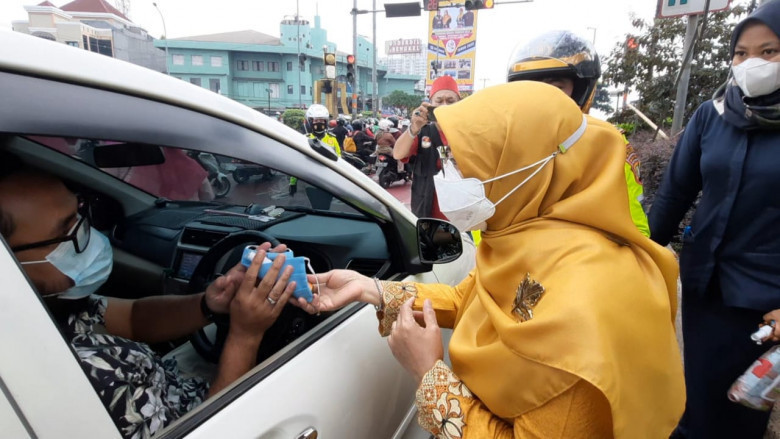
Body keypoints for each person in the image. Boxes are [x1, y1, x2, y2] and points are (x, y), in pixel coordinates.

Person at [298, 81, 685, 438]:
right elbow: (471, 295)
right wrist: (371, 288)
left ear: (528, 168)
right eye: (449, 157)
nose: (452, 173)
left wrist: (429, 375)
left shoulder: (589, 304)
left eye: (470, 162)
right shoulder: (523, 238)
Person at [0, 169, 297, 438]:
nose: (86, 232)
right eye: (67, 231)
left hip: (178, 388)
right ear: (9, 263)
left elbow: (132, 318)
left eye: (79, 215)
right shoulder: (77, 382)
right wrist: (246, 335)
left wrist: (208, 304)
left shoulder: (49, 305)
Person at [649, 3, 780, 437]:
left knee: (742, 405)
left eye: (769, 51)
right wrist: (639, 251)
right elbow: (675, 193)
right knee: (697, 393)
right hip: (705, 284)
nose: (752, 63)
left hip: (765, 301)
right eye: (741, 53)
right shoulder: (714, 114)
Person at [506, 30, 651, 237]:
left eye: (557, 87)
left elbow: (636, 228)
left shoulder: (609, 144)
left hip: (584, 262)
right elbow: (486, 226)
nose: (544, 96)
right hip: (514, 263)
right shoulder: (506, 145)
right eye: (533, 87)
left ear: (581, 89)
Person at [393, 75, 460, 218]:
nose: (444, 106)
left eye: (450, 101)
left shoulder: (468, 133)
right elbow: (398, 154)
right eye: (439, 101)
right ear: (430, 104)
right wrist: (413, 128)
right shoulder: (422, 132)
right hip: (426, 213)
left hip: (460, 215)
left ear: (459, 103)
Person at [290, 104, 341, 197]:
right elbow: (297, 162)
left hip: (329, 181)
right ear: (310, 122)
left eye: (321, 120)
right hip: (311, 181)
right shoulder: (304, 140)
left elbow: (339, 161)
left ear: (326, 122)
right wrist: (293, 182)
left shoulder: (332, 139)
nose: (319, 123)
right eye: (316, 120)